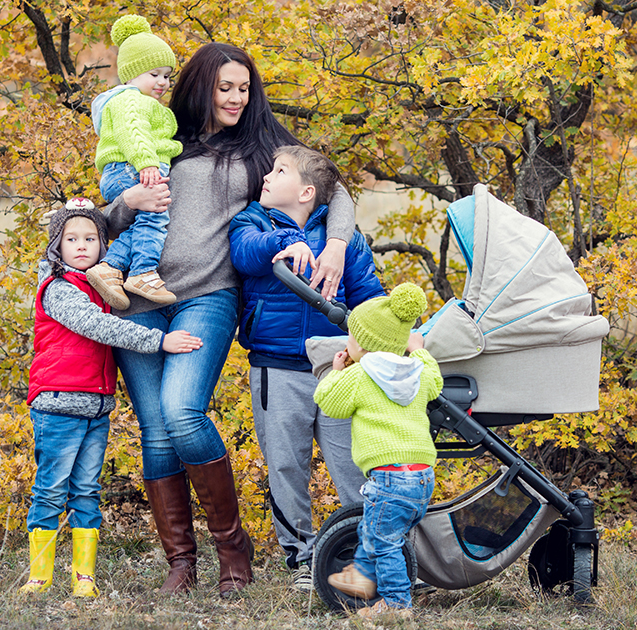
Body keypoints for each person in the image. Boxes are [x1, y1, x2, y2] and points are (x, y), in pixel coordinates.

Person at [99, 42, 359, 598]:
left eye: (244, 87)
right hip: (138, 299)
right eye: (225, 87)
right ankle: (181, 564)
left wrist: (336, 245)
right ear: (201, 87)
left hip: (207, 297)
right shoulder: (157, 129)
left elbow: (335, 190)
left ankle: (232, 550)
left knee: (182, 412)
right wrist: (126, 207)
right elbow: (108, 212)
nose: (236, 97)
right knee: (156, 433)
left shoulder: (262, 146)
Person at [21, 198, 202, 597]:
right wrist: (160, 341)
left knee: (86, 490)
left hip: (96, 408)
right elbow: (98, 327)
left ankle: (83, 576)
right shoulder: (58, 288)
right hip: (57, 405)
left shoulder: (100, 286)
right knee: (51, 489)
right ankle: (39, 576)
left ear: (105, 245)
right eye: (72, 238)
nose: (82, 245)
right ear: (57, 245)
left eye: (91, 238)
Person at [228, 145, 385, 591]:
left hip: (337, 370)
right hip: (275, 369)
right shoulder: (252, 222)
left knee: (353, 465)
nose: (267, 176)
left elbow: (368, 297)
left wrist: (376, 339)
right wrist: (285, 243)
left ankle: (364, 554)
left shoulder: (344, 240)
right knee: (285, 467)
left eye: (279, 171)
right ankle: (302, 557)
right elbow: (244, 253)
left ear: (307, 191)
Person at [313, 283, 442, 620]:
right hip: (421, 477)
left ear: (366, 345)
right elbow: (435, 379)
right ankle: (360, 576)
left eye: (352, 338)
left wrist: (336, 371)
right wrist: (419, 349)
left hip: (388, 478)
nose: (347, 343)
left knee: (384, 541)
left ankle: (397, 605)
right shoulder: (417, 372)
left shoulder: (359, 377)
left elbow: (327, 402)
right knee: (375, 530)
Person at [86, 15, 181, 308]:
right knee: (154, 216)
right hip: (131, 169)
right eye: (154, 74)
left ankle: (110, 267)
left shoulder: (140, 101)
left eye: (167, 75)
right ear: (131, 73)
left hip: (129, 169)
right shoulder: (131, 100)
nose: (163, 82)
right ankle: (142, 272)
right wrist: (146, 163)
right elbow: (133, 131)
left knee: (140, 223)